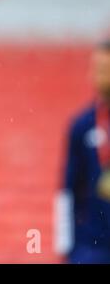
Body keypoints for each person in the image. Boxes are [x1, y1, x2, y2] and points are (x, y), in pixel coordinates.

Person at [56, 38, 110, 263]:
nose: (96, 76)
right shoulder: (82, 124)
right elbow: (67, 191)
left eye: (104, 69)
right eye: (95, 69)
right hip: (92, 248)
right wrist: (67, 248)